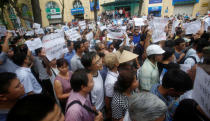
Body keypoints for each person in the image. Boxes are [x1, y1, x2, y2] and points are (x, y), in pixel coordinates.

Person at [104, 53, 119, 120]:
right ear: (116, 64)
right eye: (117, 59)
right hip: (115, 109)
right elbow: (108, 99)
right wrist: (109, 112)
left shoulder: (116, 72)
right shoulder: (111, 81)